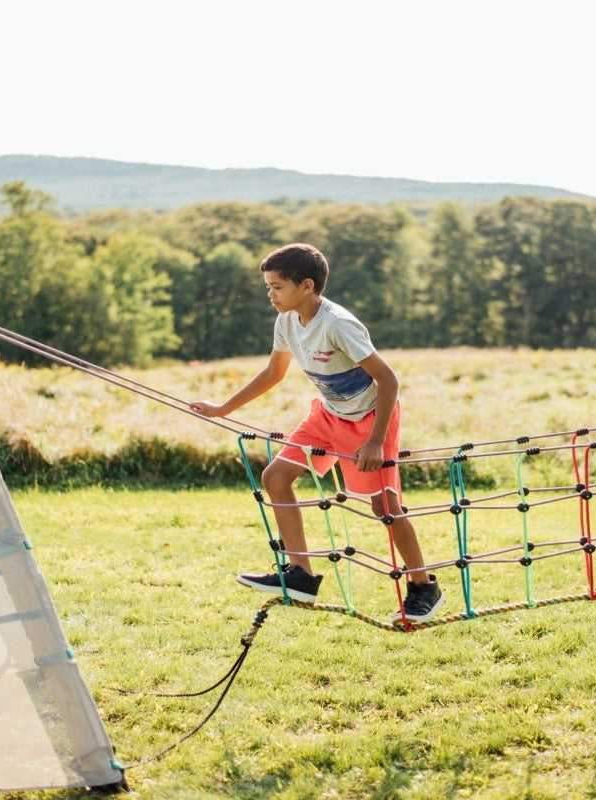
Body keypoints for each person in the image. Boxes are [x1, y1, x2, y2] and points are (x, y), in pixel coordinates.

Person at [190, 243, 444, 622]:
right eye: (267, 286)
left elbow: (388, 381)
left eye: (277, 287)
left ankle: (424, 587)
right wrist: (222, 408)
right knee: (275, 476)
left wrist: (375, 441)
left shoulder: (338, 324)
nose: (270, 294)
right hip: (327, 417)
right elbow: (274, 373)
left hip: (369, 420)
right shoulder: (287, 322)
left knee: (384, 507)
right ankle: (301, 575)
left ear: (306, 285)